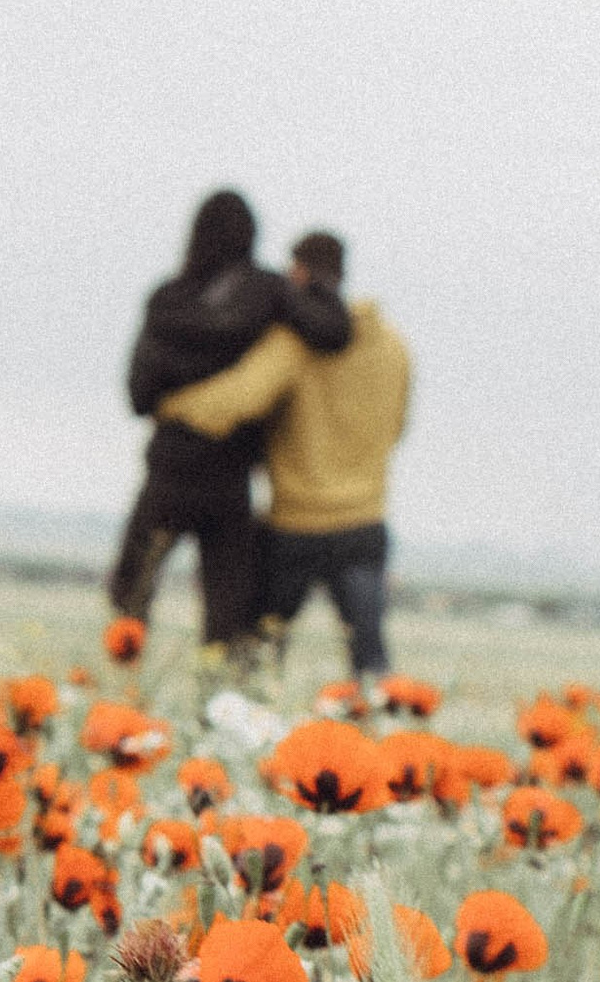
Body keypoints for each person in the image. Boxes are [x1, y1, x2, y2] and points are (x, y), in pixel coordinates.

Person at [154, 230, 412, 686]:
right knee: (371, 666)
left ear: (298, 272)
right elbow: (396, 428)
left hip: (297, 527)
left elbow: (236, 401)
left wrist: (168, 403)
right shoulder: (394, 349)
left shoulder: (295, 345)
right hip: (365, 524)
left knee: (257, 659)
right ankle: (379, 747)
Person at [109, 191, 352, 655]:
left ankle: (123, 703)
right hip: (229, 475)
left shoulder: (166, 299)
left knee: (132, 594)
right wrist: (316, 284)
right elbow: (333, 332)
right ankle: (219, 707)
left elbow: (138, 396)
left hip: (170, 466)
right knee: (228, 615)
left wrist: (183, 391)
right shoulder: (267, 290)